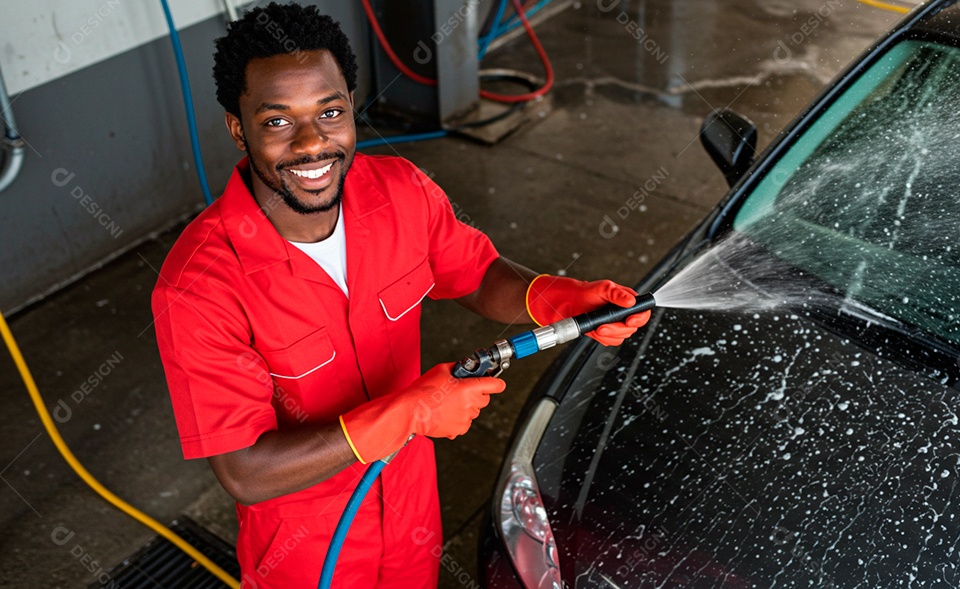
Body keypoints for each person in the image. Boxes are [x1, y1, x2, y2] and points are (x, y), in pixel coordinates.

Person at [151, 3, 650, 587]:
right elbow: (244, 470)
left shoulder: (401, 192)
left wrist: (552, 299)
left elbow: (474, 272)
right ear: (239, 128)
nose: (313, 143)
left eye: (330, 111)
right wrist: (409, 411)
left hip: (412, 511)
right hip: (308, 552)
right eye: (278, 121)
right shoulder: (199, 286)